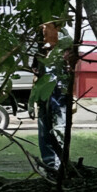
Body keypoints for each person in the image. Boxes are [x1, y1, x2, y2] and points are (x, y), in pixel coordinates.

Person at [35, 27, 78, 173]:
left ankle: (60, 168)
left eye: (46, 28)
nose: (43, 31)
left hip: (60, 96)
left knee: (60, 131)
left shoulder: (66, 47)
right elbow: (37, 75)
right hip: (44, 97)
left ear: (56, 29)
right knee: (44, 133)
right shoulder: (42, 50)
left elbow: (71, 70)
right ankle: (48, 167)